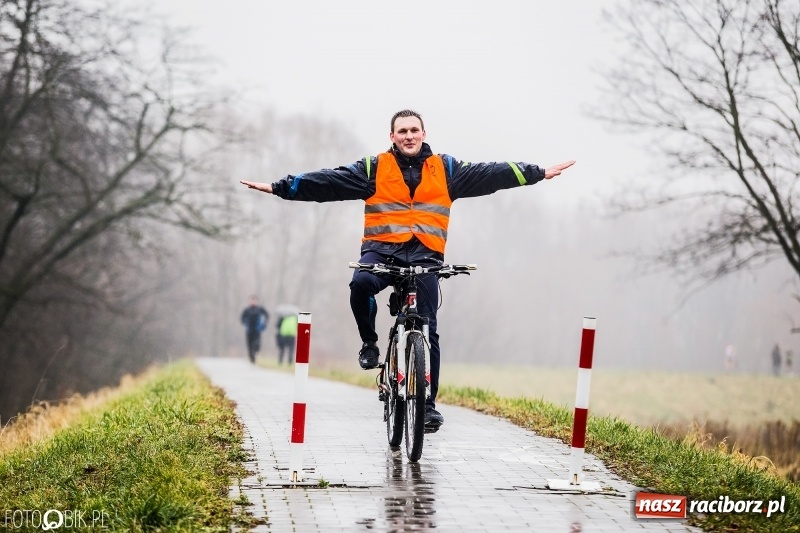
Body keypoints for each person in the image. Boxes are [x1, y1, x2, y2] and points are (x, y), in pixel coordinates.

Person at [241, 109, 574, 431]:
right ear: (392, 136)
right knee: (360, 284)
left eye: (414, 130)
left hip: (425, 256)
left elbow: (491, 174)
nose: (409, 136)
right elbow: (329, 182)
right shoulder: (374, 168)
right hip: (381, 252)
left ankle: (427, 405)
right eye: (403, 131)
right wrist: (281, 187)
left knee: (428, 328)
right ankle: (370, 342)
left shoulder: (446, 169)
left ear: (424, 134)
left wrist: (536, 172)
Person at [241, 295, 269, 363]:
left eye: (254, 300)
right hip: (249, 330)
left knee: (257, 343)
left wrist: (264, 323)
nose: (253, 302)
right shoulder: (247, 310)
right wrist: (245, 323)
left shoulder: (260, 309)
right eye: (251, 300)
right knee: (249, 344)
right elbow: (242, 318)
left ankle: (255, 352)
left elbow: (267, 315)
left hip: (257, 329)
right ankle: (251, 356)